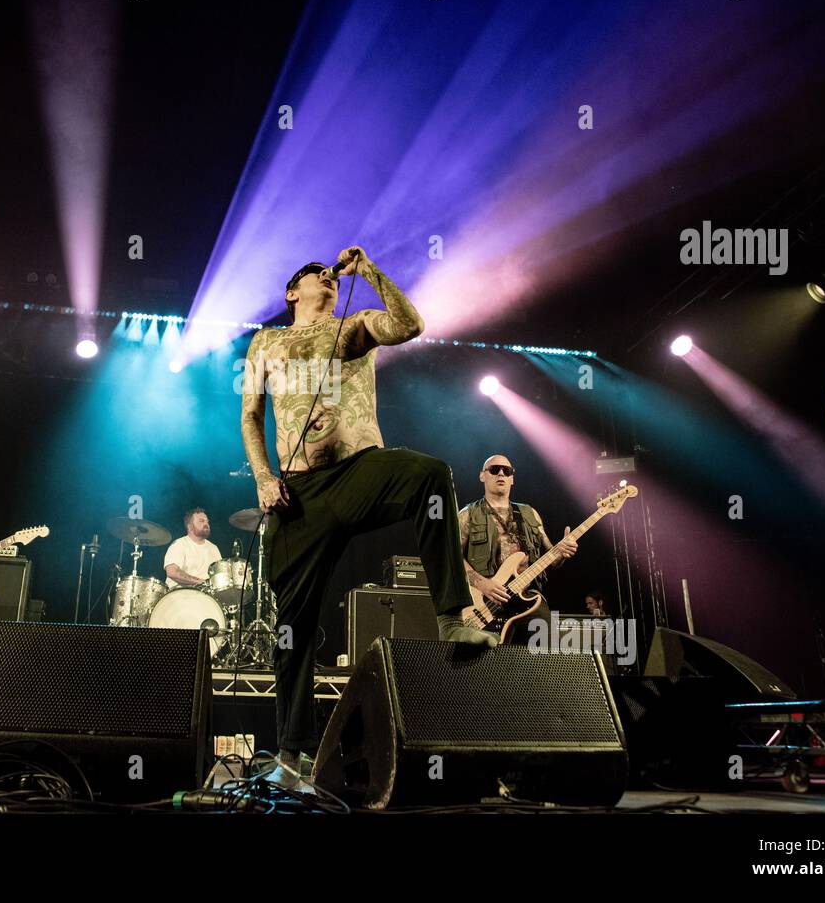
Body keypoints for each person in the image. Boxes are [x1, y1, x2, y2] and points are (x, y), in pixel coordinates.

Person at [240, 245, 495, 791]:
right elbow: (251, 415)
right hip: (297, 496)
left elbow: (410, 324)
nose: (327, 279)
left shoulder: (353, 327)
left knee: (430, 473)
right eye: (316, 275)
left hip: (358, 471)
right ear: (292, 292)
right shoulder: (265, 343)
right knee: (293, 627)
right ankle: (291, 754)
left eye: (331, 276)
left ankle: (451, 612)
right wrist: (264, 477)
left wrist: (370, 271)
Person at [458, 454, 577, 643]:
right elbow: (451, 558)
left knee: (547, 646)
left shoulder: (529, 514)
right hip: (484, 599)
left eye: (507, 471)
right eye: (494, 469)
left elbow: (553, 560)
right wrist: (483, 584)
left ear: (512, 478)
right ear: (482, 476)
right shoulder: (467, 515)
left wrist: (563, 551)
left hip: (525, 597)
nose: (501, 474)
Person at [162, 508, 222, 588]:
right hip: (181, 595)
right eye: (201, 521)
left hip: (207, 596)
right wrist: (200, 582)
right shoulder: (179, 544)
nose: (206, 524)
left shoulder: (214, 548)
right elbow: (172, 572)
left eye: (207, 521)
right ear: (190, 527)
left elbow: (220, 574)